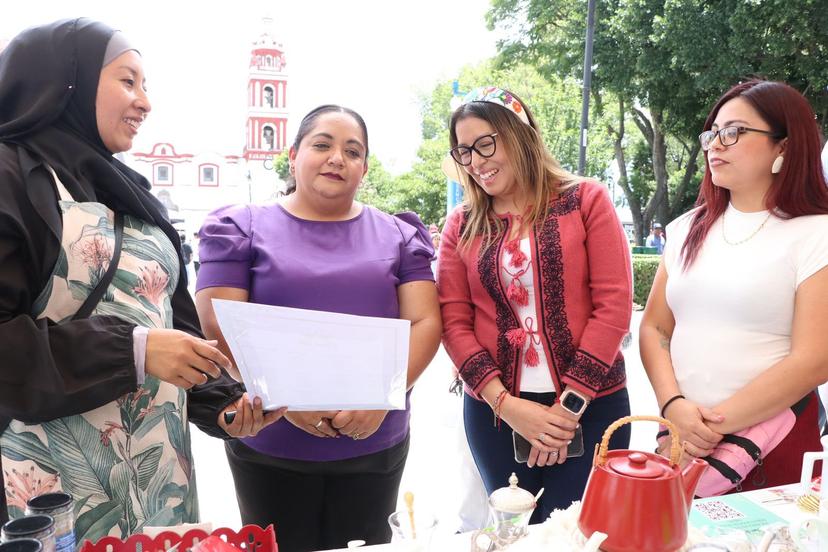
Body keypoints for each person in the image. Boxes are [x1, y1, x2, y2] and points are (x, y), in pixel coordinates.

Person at [0, 19, 279, 533]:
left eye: (146, 86)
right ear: (67, 81)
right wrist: (132, 349)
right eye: (128, 81)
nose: (145, 102)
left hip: (160, 482)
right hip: (50, 487)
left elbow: (174, 328)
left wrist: (223, 404)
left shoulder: (134, 194)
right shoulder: (12, 177)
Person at [194, 105, 442, 551]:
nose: (337, 158)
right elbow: (218, 321)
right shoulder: (240, 227)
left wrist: (381, 396)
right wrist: (284, 398)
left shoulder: (399, 236)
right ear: (293, 155)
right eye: (322, 145)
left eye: (352, 151)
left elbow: (425, 321)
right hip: (270, 441)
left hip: (374, 439)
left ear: (364, 168)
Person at [437, 87, 632, 521]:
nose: (477, 161)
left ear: (521, 135)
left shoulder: (586, 200)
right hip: (494, 414)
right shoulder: (461, 224)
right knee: (516, 533)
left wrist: (568, 410)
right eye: (465, 151)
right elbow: (453, 322)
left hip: (594, 407)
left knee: (588, 533)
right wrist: (508, 407)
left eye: (487, 143)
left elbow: (614, 306)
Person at [640, 79, 828, 493]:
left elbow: (814, 359)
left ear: (784, 146)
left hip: (773, 444)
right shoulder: (686, 228)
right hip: (679, 440)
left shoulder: (817, 234)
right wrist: (674, 408)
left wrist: (707, 425)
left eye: (734, 132)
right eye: (713, 133)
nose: (715, 145)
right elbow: (654, 328)